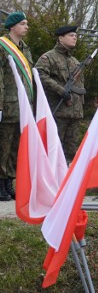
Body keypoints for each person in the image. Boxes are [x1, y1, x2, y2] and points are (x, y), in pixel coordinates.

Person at [35, 25, 86, 163]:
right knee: (53, 151)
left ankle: (67, 181)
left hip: (75, 114)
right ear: (61, 37)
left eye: (75, 36)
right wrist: (60, 90)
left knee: (70, 154)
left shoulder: (75, 62)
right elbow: (39, 74)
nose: (75, 37)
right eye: (71, 35)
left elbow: (80, 87)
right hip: (58, 112)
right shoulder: (48, 57)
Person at [0, 12, 33, 201]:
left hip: (22, 105)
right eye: (22, 23)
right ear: (12, 27)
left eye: (27, 23)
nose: (26, 27)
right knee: (3, 145)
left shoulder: (25, 49)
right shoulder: (2, 46)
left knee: (15, 147)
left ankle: (8, 182)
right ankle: (0, 183)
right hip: (7, 104)